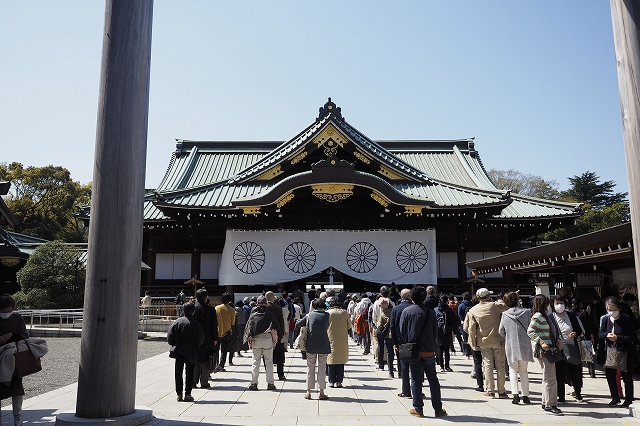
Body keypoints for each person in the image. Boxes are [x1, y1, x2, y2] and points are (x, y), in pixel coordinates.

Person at [399, 286, 447, 418]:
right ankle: (438, 408)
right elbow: (435, 331)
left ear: (411, 298)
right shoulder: (431, 312)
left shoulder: (407, 311)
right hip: (428, 350)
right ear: (424, 297)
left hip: (413, 350)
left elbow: (402, 331)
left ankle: (418, 408)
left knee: (415, 379)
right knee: (433, 379)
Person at [466, 288, 509, 398]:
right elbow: (508, 306)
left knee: (488, 366)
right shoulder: (495, 306)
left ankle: (490, 390)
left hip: (483, 341)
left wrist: (472, 342)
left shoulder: (473, 310)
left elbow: (471, 328)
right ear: (488, 296)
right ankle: (502, 391)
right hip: (498, 339)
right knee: (500, 366)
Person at [527, 294, 563, 416]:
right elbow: (530, 331)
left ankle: (545, 402)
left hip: (546, 350)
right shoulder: (538, 316)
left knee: (547, 378)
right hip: (545, 351)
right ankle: (550, 405)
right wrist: (542, 343)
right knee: (550, 379)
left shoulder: (541, 316)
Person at [598, 297, 636, 408]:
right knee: (610, 374)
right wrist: (607, 335)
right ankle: (615, 397)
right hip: (610, 351)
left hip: (625, 351)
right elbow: (600, 334)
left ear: (619, 308)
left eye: (614, 309)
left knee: (626, 375)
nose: (612, 312)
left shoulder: (625, 319)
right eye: (609, 309)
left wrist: (618, 338)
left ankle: (628, 399)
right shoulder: (605, 319)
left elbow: (632, 337)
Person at [498, 292, 533, 404]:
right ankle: (526, 396)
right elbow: (530, 327)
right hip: (525, 345)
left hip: (511, 345)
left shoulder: (505, 314)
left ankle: (515, 396)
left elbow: (501, 331)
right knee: (523, 371)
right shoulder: (527, 312)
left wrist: (509, 336)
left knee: (513, 371)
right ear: (518, 300)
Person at [0, 295, 30, 425]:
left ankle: (17, 416)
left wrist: (12, 335)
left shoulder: (17, 319)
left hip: (13, 358)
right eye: (3, 311)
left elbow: (25, 336)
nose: (6, 314)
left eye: (9, 311)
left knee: (16, 389)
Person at [549, 295, 584, 403]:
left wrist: (576, 333)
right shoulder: (550, 318)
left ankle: (578, 393)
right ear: (553, 305)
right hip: (557, 349)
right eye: (557, 303)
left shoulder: (572, 316)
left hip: (572, 347)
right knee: (559, 373)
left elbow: (580, 330)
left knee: (575, 371)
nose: (560, 305)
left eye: (562, 303)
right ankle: (561, 396)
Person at [167, 302, 204, 402]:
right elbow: (201, 338)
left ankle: (179, 394)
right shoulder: (195, 324)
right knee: (190, 372)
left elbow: (170, 336)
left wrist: (174, 343)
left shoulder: (177, 322)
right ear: (193, 311)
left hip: (179, 351)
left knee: (178, 372)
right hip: (191, 351)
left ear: (183, 310)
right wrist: (195, 345)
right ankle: (188, 394)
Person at [296, 298, 331, 400]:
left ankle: (308, 392)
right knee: (322, 368)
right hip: (324, 345)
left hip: (311, 345)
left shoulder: (309, 315)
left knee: (310, 368)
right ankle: (321, 392)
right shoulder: (327, 315)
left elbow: (298, 324)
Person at [244, 296, 280, 391]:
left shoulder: (253, 315)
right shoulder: (270, 314)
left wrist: (249, 341)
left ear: (257, 303)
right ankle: (270, 383)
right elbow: (275, 328)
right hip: (267, 338)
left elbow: (249, 329)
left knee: (255, 362)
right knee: (269, 362)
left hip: (257, 339)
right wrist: (275, 341)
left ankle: (254, 383)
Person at [192, 289, 218, 389]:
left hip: (194, 338)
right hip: (207, 337)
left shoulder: (192, 308)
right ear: (205, 297)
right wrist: (215, 338)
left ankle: (193, 381)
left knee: (195, 360)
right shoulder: (211, 309)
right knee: (206, 360)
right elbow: (214, 326)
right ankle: (204, 382)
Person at [390, 288, 413, 398]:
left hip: (401, 341)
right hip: (414, 340)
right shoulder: (415, 307)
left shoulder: (396, 309)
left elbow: (392, 326)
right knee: (415, 366)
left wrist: (395, 341)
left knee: (404, 366)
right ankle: (417, 388)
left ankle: (405, 390)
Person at [326, 296, 351, 387]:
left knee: (331, 360)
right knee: (341, 360)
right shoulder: (344, 313)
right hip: (342, 339)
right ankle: (339, 381)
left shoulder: (328, 313)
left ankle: (331, 381)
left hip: (330, 338)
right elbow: (349, 326)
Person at [265, 291, 286, 380]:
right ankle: (280, 374)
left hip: (265, 334)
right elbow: (281, 323)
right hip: (276, 334)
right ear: (273, 298)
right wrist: (281, 334)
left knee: (267, 356)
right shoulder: (278, 308)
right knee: (279, 355)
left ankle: (268, 374)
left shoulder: (263, 308)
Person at [434, 295, 457, 372]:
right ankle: (447, 366)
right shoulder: (449, 310)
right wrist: (455, 331)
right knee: (447, 350)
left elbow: (433, 322)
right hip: (447, 331)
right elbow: (454, 321)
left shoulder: (435, 310)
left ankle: (441, 366)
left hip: (438, 331)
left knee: (440, 349)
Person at [214, 292, 236, 373]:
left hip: (217, 331)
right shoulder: (232, 310)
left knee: (216, 350)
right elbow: (232, 323)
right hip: (227, 332)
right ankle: (221, 365)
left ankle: (214, 364)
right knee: (224, 350)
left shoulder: (216, 308)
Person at [375, 297, 395, 377]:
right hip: (394, 334)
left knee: (386, 351)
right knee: (395, 352)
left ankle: (385, 368)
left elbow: (379, 325)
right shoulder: (394, 309)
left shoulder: (382, 313)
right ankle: (399, 372)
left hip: (386, 334)